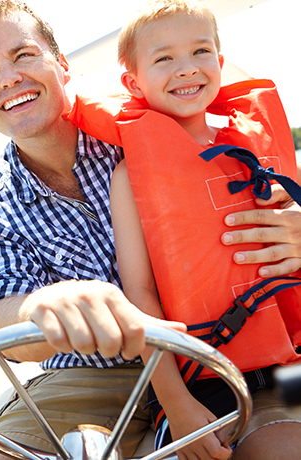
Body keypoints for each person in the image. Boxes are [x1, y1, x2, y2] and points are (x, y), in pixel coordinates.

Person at [0, 1, 301, 459]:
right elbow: (0, 308)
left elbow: (257, 186)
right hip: (81, 376)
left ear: (62, 67)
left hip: (211, 355)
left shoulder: (158, 131)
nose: (9, 78)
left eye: (23, 55)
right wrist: (41, 307)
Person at [79, 0, 301, 459]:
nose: (186, 69)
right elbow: (138, 294)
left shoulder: (259, 146)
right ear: (132, 82)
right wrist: (177, 405)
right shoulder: (130, 175)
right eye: (164, 58)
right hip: (205, 377)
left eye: (201, 52)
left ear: (219, 63)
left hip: (290, 363)